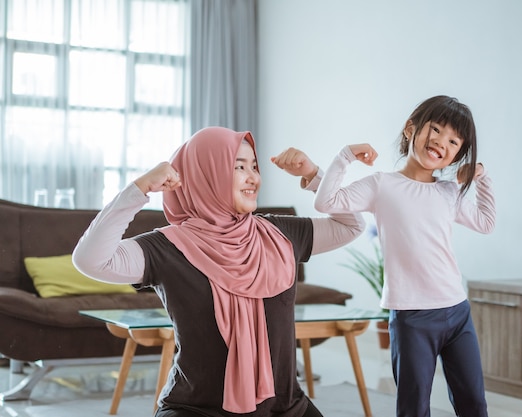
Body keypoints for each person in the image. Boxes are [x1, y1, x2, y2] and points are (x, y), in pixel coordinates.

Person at [72, 126, 365, 417]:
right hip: (197, 410)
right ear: (206, 174)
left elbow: (351, 225)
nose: (254, 178)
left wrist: (313, 175)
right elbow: (91, 259)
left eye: (254, 166)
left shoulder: (279, 233)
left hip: (286, 408)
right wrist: (139, 189)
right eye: (239, 167)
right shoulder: (168, 247)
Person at [313, 95, 496, 417]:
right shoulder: (382, 185)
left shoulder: (448, 191)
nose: (441, 142)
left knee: (474, 403)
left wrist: (480, 177)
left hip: (457, 311)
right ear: (411, 129)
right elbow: (326, 202)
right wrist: (344, 157)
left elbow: (486, 222)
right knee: (413, 407)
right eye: (435, 130)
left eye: (453, 141)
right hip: (412, 317)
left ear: (458, 153)